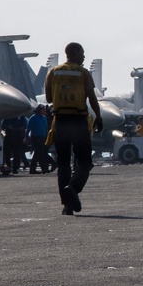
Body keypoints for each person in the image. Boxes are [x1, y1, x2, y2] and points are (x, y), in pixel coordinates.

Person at [44, 42, 103, 215]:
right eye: (82, 53)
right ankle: (74, 187)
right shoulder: (83, 73)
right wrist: (98, 117)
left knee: (63, 163)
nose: (84, 57)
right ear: (75, 53)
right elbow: (91, 97)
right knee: (84, 161)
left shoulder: (53, 72)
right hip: (78, 120)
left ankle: (67, 205)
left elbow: (48, 98)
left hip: (60, 121)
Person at [26, 106, 53, 174]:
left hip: (43, 137)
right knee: (39, 152)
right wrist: (26, 137)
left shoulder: (44, 118)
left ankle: (33, 169)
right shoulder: (33, 118)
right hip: (35, 137)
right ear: (39, 110)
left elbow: (46, 128)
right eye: (43, 110)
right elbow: (28, 128)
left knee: (38, 153)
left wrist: (47, 137)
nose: (44, 111)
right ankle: (45, 168)